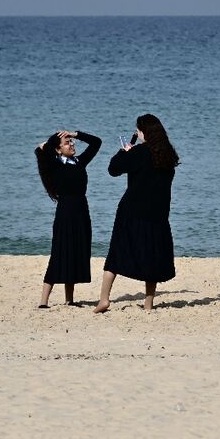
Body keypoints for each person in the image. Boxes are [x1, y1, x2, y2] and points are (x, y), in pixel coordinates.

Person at [94, 114, 180, 313]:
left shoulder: (139, 152)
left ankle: (104, 299)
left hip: (131, 210)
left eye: (138, 130)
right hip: (157, 213)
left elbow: (113, 169)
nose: (137, 133)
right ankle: (148, 304)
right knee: (152, 256)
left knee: (116, 254)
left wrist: (124, 152)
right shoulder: (168, 154)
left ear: (143, 132)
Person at [35, 130, 102, 308]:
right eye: (67, 143)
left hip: (82, 211)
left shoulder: (79, 162)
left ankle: (69, 299)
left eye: (72, 142)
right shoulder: (54, 164)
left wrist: (75, 134)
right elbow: (42, 149)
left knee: (76, 252)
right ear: (57, 150)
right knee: (59, 253)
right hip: (65, 212)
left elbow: (96, 142)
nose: (71, 145)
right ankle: (43, 301)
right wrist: (50, 142)